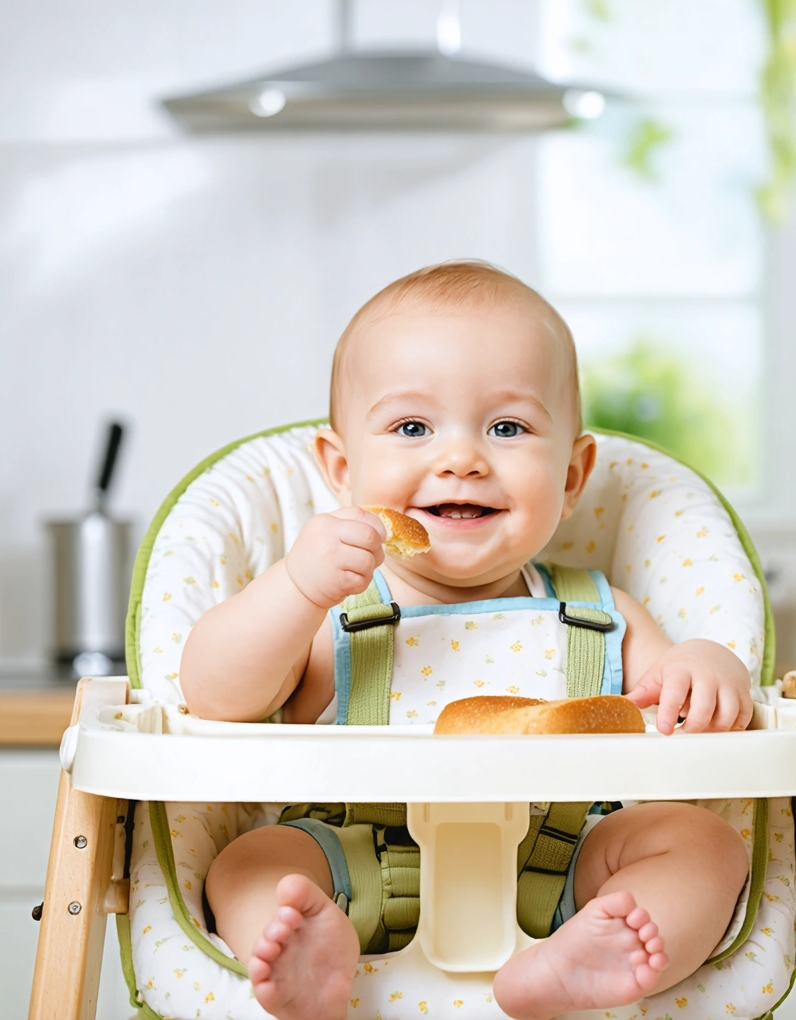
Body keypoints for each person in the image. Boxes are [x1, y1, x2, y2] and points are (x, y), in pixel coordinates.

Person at [181, 261, 752, 1020]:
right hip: (356, 866)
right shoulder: (331, 610)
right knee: (251, 862)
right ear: (343, 471)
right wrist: (296, 585)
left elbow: (683, 701)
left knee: (703, 844)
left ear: (573, 475)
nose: (461, 459)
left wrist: (708, 665)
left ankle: (588, 956)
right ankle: (309, 958)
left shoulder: (600, 610)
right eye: (412, 428)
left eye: (507, 428)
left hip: (563, 868)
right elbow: (213, 694)